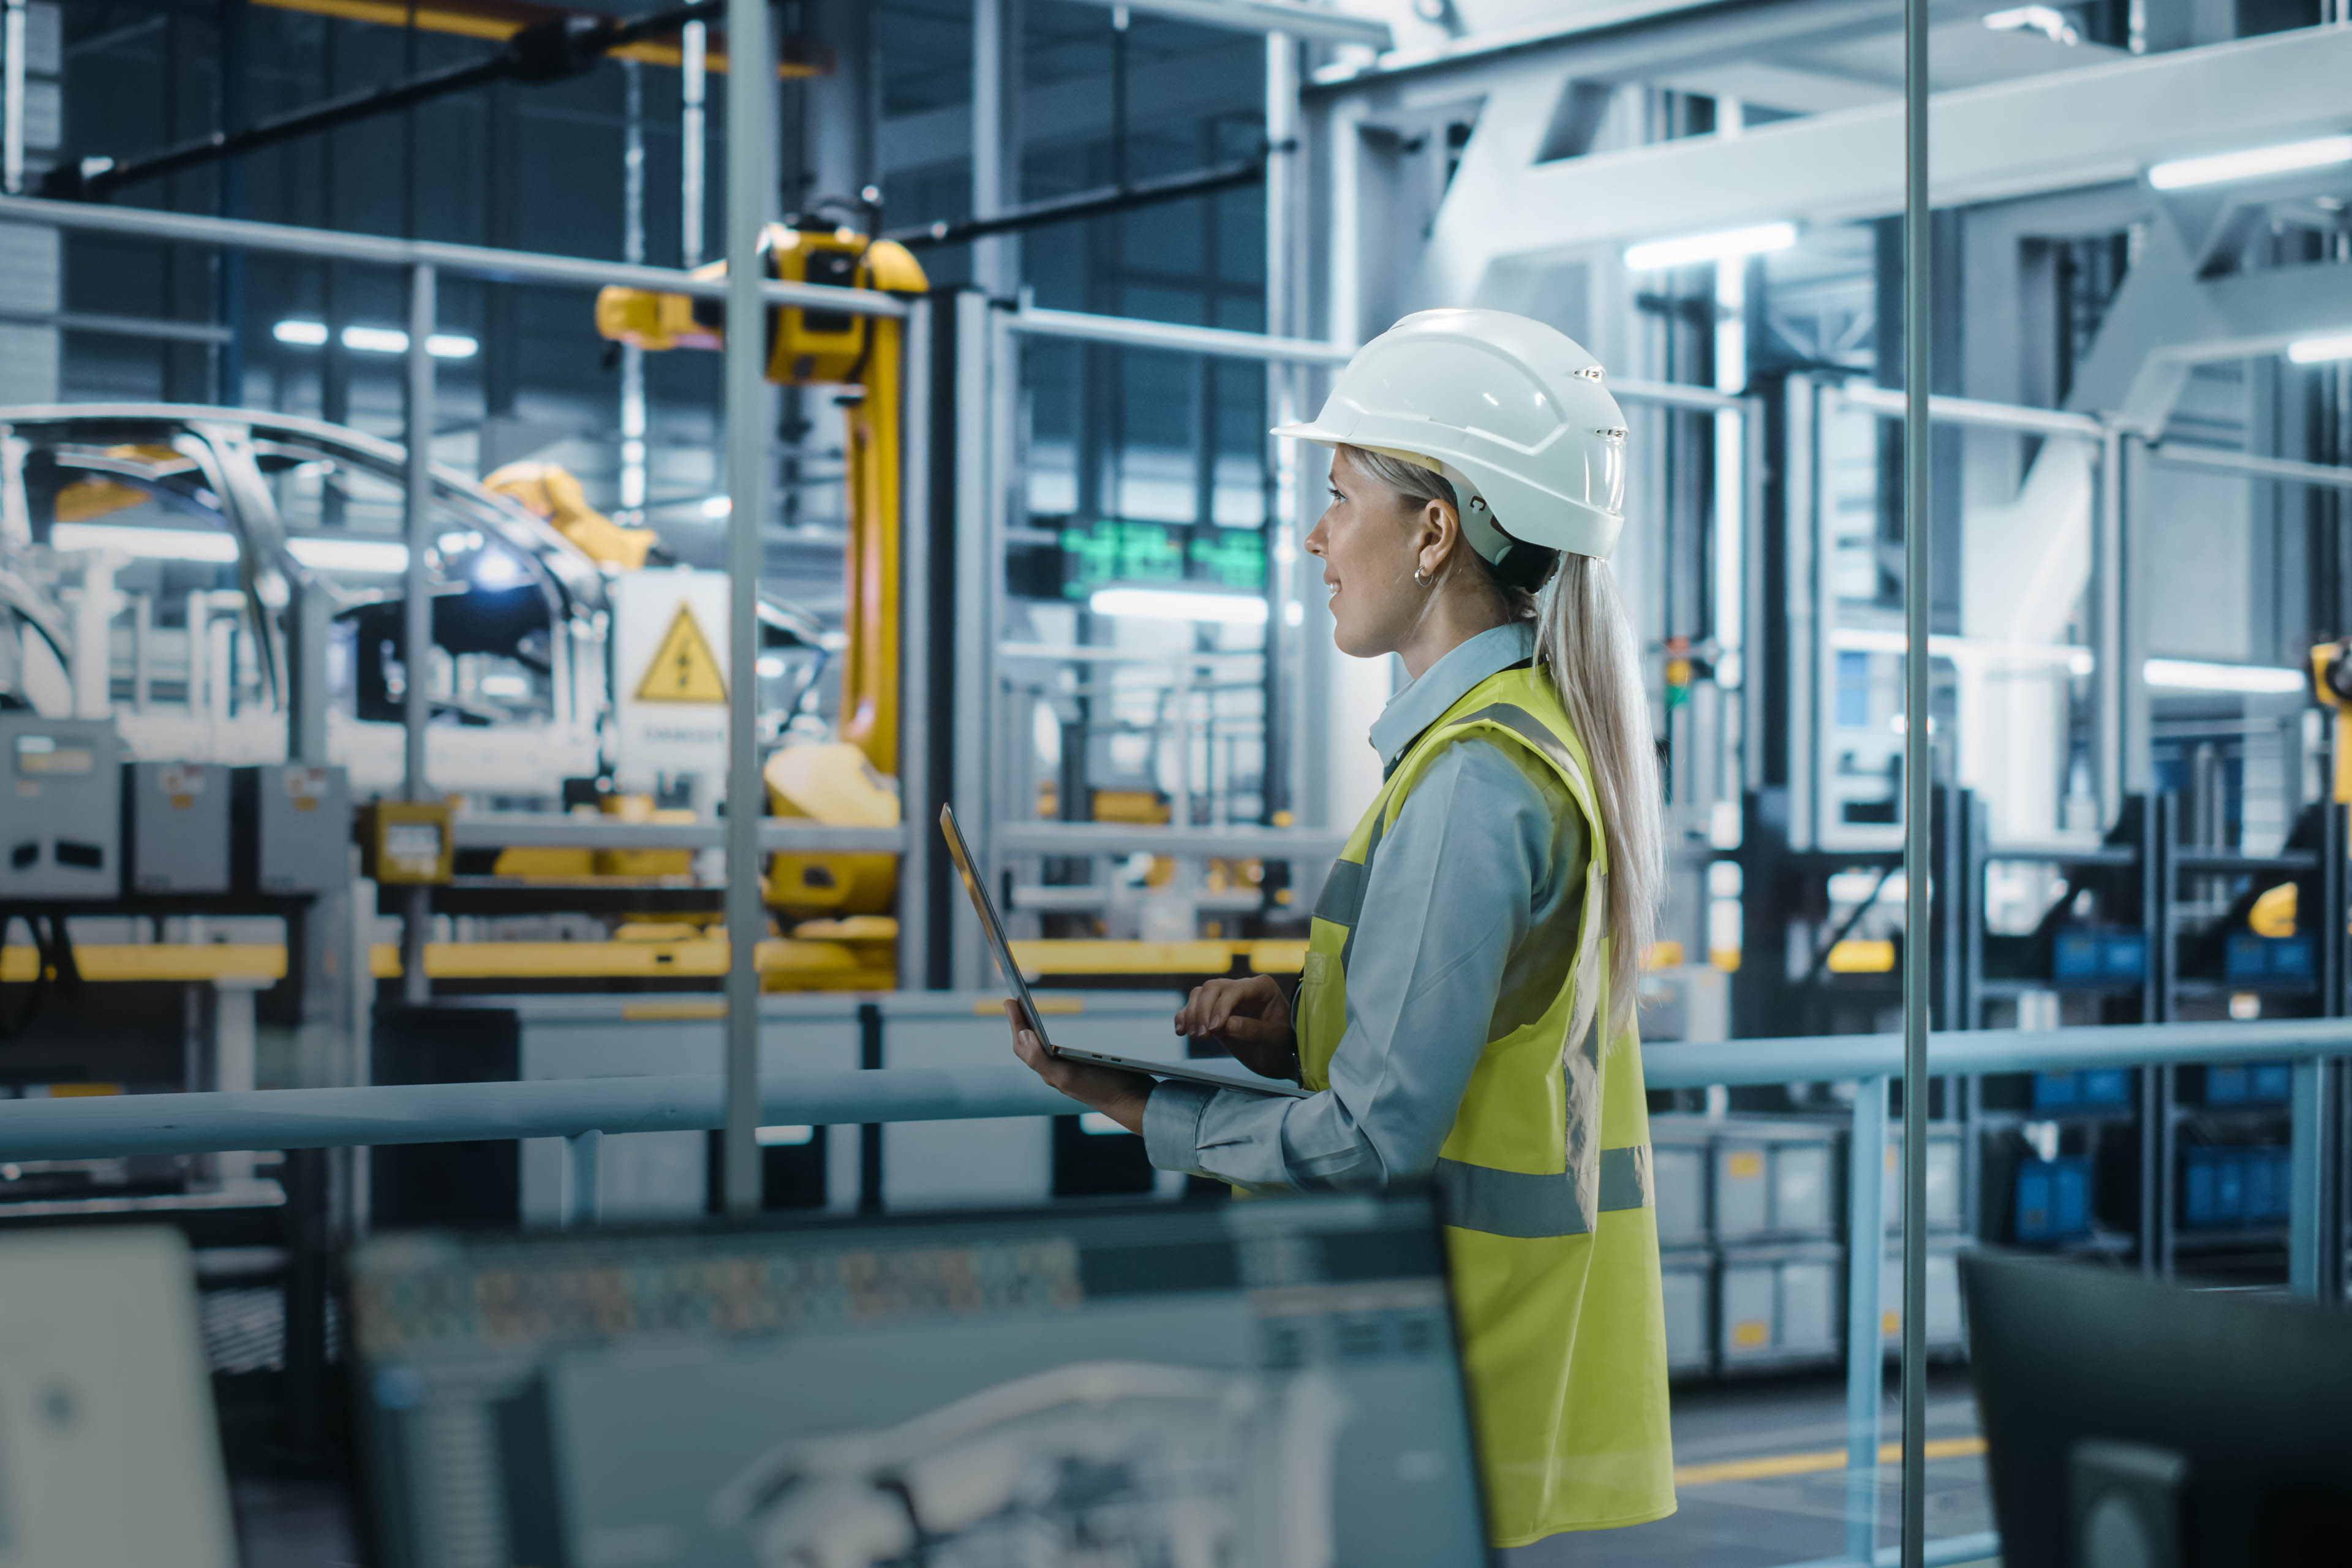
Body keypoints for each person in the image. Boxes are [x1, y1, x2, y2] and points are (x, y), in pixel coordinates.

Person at [1006, 307, 1675, 1550]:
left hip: (1447, 1367)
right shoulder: (1524, 740)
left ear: (1434, 529)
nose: (1314, 537)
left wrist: (1138, 1105)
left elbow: (1375, 1140)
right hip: (1495, 1366)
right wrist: (1310, 1024)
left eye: (1338, 495)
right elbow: (1470, 1057)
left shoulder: (1475, 779)